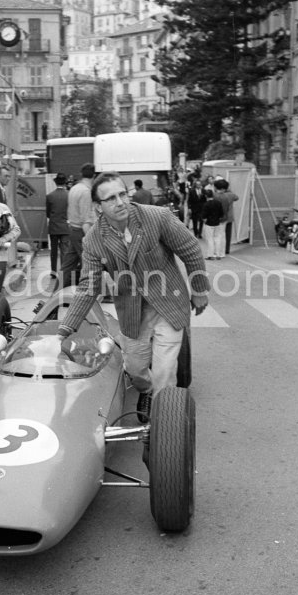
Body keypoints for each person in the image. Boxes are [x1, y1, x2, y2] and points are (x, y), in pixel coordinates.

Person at [56, 171, 209, 424]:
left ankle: (164, 426)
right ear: (98, 207)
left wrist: (200, 289)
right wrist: (65, 328)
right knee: (135, 370)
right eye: (111, 199)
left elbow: (190, 249)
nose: (120, 202)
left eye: (122, 194)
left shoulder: (156, 217)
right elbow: (88, 287)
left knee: (164, 373)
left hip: (169, 305)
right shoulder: (94, 239)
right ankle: (147, 392)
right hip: (132, 310)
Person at [60, 162, 96, 287]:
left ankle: (57, 293)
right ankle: (98, 292)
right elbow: (85, 219)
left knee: (68, 265)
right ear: (94, 176)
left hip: (73, 229)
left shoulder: (75, 188)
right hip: (81, 231)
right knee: (91, 263)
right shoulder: (86, 192)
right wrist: (92, 238)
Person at [45, 172, 69, 275]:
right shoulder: (69, 195)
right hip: (65, 226)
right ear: (64, 183)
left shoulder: (50, 196)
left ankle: (53, 271)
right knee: (64, 250)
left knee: (54, 250)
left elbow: (48, 213)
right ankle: (64, 271)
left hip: (54, 226)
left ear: (56, 183)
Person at [214, 178, 239, 254]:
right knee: (227, 234)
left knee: (218, 234)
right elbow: (237, 197)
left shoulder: (216, 195)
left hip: (219, 217)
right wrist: (229, 190)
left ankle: (218, 250)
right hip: (229, 216)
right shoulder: (230, 195)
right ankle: (226, 249)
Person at [201, 188, 225, 260]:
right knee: (217, 238)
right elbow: (221, 214)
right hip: (217, 223)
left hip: (209, 223)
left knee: (210, 239)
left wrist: (205, 220)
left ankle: (210, 255)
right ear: (213, 195)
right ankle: (218, 254)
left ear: (206, 196)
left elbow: (204, 216)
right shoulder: (218, 203)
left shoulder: (206, 204)